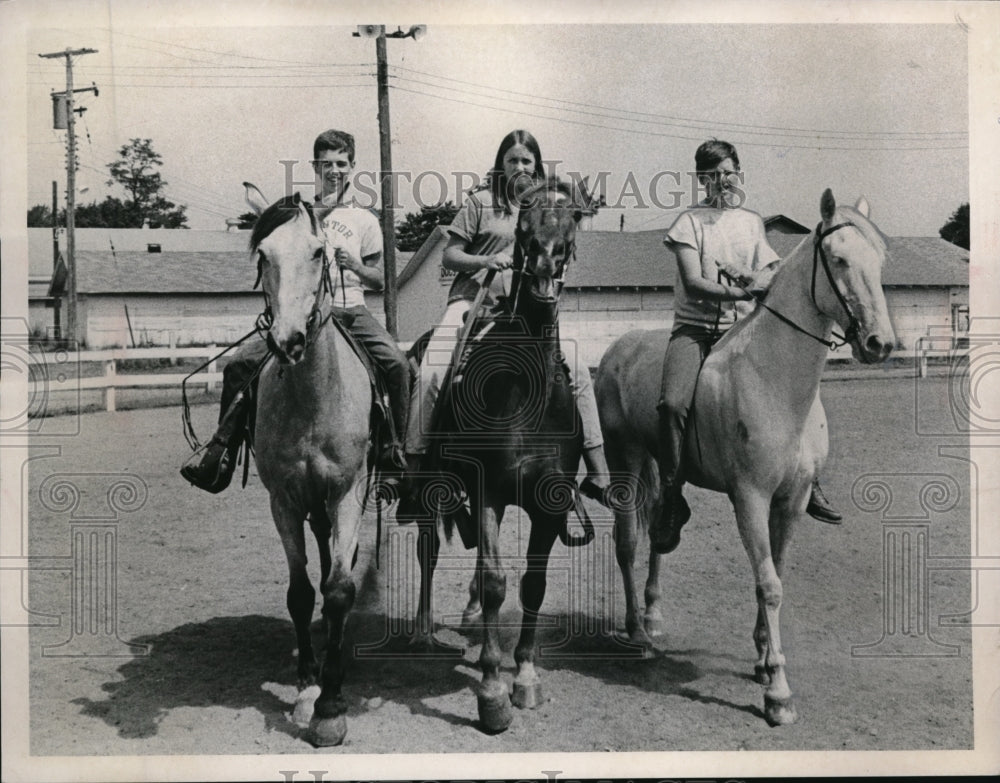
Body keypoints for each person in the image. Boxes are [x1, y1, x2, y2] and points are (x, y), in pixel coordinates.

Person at [181, 129, 410, 493]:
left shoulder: (365, 220)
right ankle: (221, 450)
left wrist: (353, 266)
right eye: (326, 164)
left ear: (352, 167)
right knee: (240, 365)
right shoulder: (296, 214)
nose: (333, 170)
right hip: (304, 316)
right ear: (315, 167)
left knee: (396, 363)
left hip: (351, 311)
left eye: (341, 163)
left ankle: (394, 454)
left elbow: (380, 280)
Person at [402, 129, 611, 504]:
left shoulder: (548, 208)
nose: (519, 166)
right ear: (501, 163)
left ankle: (596, 472)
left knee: (577, 369)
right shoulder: (481, 203)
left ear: (537, 166)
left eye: (526, 161)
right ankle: (416, 469)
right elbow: (450, 255)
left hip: (524, 313)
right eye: (512, 159)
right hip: (473, 305)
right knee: (433, 370)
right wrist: (485, 260)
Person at [652, 139, 841, 552]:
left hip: (742, 330)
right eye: (713, 174)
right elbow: (693, 283)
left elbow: (770, 267)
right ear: (701, 179)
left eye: (728, 171)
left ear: (738, 173)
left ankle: (811, 477)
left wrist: (765, 277)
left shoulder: (751, 222)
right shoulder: (689, 223)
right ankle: (669, 495)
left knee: (799, 387)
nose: (722, 180)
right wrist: (741, 291)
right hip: (697, 331)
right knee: (671, 404)